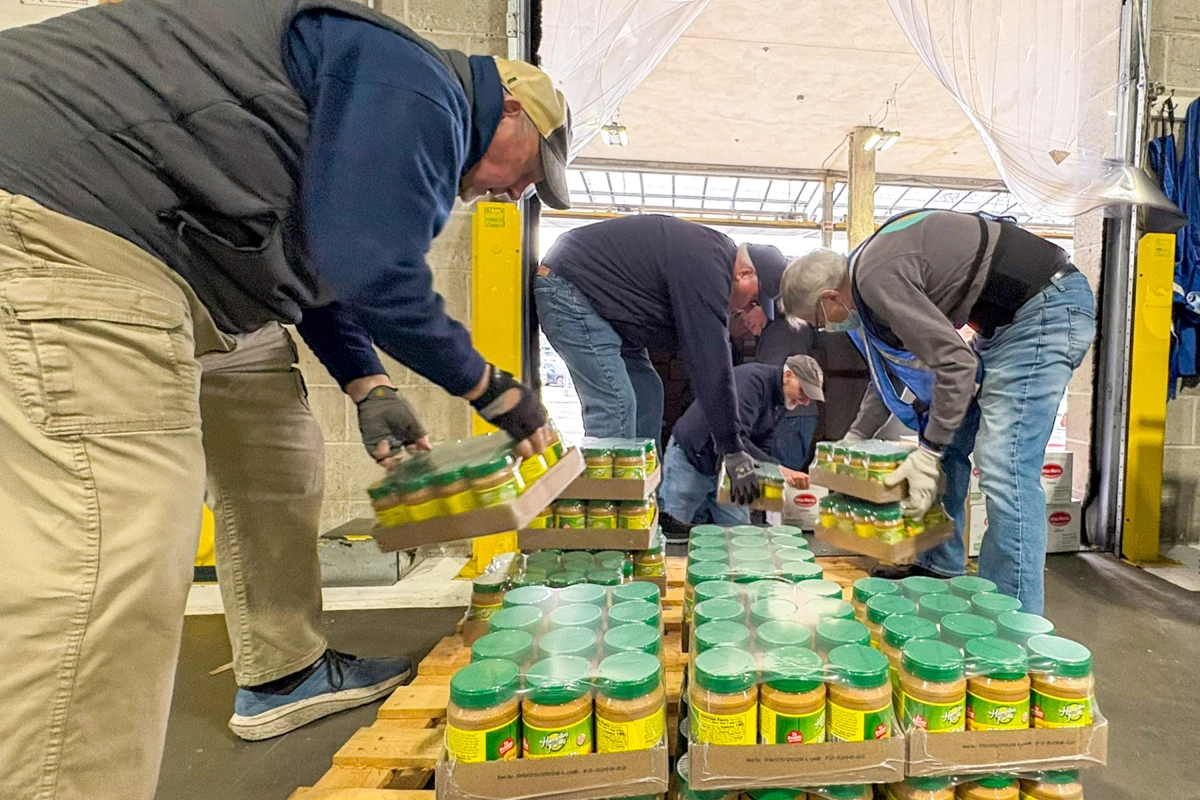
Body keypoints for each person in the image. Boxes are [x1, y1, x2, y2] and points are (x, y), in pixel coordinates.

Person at [0, 0, 571, 795]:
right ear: (508, 106)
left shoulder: (371, 106)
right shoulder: (421, 86)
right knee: (114, 540)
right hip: (65, 221)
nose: (514, 194)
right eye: (528, 171)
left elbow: (319, 266)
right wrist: (495, 391)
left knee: (277, 444)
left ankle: (282, 673)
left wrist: (367, 383)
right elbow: (370, 264)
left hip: (196, 265)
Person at [780, 209, 1095, 614]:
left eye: (818, 321)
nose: (825, 329)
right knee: (950, 442)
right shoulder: (863, 277)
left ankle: (1013, 617)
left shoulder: (875, 277)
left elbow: (956, 366)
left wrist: (925, 453)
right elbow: (887, 372)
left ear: (829, 298)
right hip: (1003, 324)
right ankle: (939, 565)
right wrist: (857, 438)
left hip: (1044, 310)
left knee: (1004, 463)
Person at [536, 215, 787, 500]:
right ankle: (609, 517)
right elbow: (710, 361)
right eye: (753, 300)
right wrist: (731, 449)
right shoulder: (708, 265)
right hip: (572, 289)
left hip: (611, 310)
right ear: (744, 273)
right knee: (616, 402)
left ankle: (645, 504)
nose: (747, 309)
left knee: (648, 392)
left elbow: (697, 346)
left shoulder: (712, 260)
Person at [660, 355, 825, 529]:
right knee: (674, 530)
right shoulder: (751, 382)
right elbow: (737, 437)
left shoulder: (782, 400)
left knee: (741, 532)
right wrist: (780, 470)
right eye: (803, 391)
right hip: (693, 458)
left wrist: (765, 478)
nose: (806, 401)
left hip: (728, 469)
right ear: (788, 376)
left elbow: (764, 441)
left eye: (810, 396)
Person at [754, 315, 821, 470]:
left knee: (782, 476)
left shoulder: (775, 334)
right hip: (805, 413)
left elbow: (771, 383)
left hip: (788, 416)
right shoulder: (803, 326)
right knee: (788, 472)